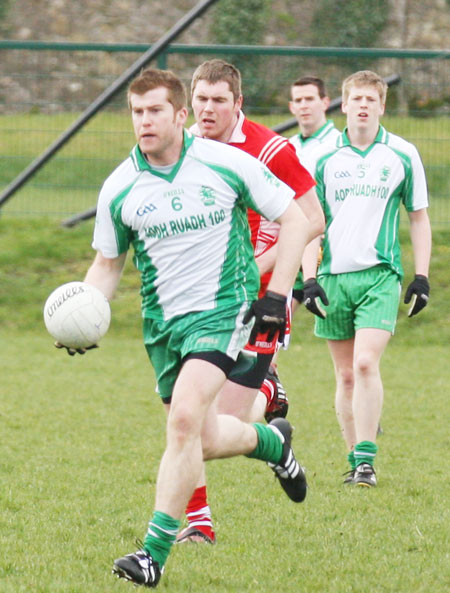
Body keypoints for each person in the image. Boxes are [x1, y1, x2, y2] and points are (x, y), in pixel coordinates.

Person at [58, 67, 314, 588]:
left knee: (182, 425)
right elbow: (107, 266)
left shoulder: (227, 163)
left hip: (225, 311)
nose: (144, 121)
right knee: (204, 435)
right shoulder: (119, 187)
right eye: (136, 111)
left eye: (155, 110)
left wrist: (276, 293)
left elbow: (298, 219)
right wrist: (86, 314)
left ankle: (152, 554)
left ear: (180, 115)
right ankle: (272, 444)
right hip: (163, 326)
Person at [174, 59, 324, 544]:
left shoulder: (270, 149)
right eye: (201, 100)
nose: (208, 109)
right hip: (199, 304)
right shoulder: (184, 148)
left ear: (238, 103)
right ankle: (198, 525)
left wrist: (255, 271)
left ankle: (270, 428)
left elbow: (314, 220)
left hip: (260, 301)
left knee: (227, 428)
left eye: (219, 100)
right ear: (189, 102)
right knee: (188, 420)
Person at [301, 70, 432, 488]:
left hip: (380, 276)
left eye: (370, 100)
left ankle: (366, 462)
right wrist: (308, 279)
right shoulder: (322, 159)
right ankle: (354, 456)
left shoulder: (402, 154)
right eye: (355, 98)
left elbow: (418, 217)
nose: (362, 106)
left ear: (381, 106)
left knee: (364, 363)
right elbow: (308, 223)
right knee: (344, 375)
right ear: (343, 104)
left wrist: (422, 276)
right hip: (333, 278)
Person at [288, 76, 341, 311]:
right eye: (298, 100)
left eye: (310, 99)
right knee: (271, 321)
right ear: (291, 107)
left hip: (331, 248)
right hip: (290, 241)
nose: (304, 105)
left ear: (325, 102)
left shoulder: (339, 144)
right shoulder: (287, 146)